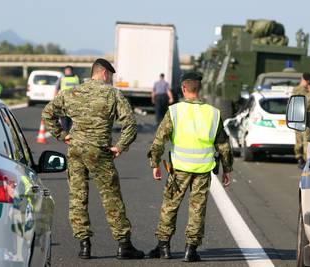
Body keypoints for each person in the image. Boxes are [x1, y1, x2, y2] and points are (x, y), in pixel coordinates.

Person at [41, 58, 144, 260]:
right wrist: (120, 146)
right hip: (99, 151)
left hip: (76, 149)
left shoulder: (71, 93)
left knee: (77, 197)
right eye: (111, 76)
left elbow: (47, 113)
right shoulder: (112, 94)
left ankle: (84, 245)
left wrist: (62, 135)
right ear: (105, 73)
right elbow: (130, 124)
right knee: (111, 197)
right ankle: (124, 245)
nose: (111, 79)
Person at [147, 71, 233, 262]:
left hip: (179, 169)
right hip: (203, 170)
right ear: (199, 89)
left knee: (169, 206)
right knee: (197, 209)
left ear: (184, 89)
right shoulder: (213, 113)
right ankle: (190, 250)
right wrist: (227, 169)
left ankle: (164, 247)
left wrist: (155, 163)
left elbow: (159, 139)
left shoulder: (175, 111)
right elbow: (223, 145)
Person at [292, 72, 310, 169]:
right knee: (299, 141)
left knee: (306, 141)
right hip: (299, 118)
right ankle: (300, 158)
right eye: (306, 80)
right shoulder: (297, 90)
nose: (307, 83)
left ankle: (304, 159)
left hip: (307, 118)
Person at [59, 65, 80, 132]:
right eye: (66, 70)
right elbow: (56, 88)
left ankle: (70, 131)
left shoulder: (76, 78)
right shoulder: (62, 78)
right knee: (64, 117)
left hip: (73, 101)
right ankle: (65, 132)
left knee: (72, 118)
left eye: (69, 70)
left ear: (71, 71)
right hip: (63, 100)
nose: (67, 72)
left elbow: (80, 89)